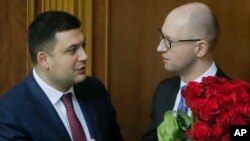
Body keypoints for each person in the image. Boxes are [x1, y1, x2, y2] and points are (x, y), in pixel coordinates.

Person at [0, 11, 123, 141]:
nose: (85, 56)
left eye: (83, 46)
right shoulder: (10, 112)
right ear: (44, 60)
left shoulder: (95, 89)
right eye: (73, 50)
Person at [142, 2, 229, 141]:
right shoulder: (164, 90)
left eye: (169, 41)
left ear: (200, 48)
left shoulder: (238, 102)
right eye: (161, 36)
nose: (160, 47)